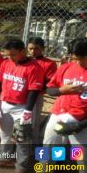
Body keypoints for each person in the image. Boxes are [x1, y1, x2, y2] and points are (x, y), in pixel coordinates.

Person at [0, 39, 44, 173]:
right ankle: (5, 157)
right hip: (5, 104)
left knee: (22, 137)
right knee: (5, 134)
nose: (10, 57)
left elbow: (34, 91)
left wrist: (28, 111)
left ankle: (22, 166)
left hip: (23, 107)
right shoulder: (6, 63)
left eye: (13, 54)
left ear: (23, 51)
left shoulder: (34, 67)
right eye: (7, 54)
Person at [42, 39, 87, 173]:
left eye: (82, 58)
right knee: (48, 151)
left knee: (81, 158)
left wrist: (80, 125)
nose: (78, 62)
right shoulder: (66, 67)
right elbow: (49, 89)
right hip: (58, 115)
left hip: (81, 121)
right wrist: (62, 90)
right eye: (75, 58)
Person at [27, 37, 57, 144]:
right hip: (20, 96)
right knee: (19, 123)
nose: (33, 51)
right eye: (30, 48)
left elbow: (49, 82)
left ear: (43, 49)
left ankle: (34, 146)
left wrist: (36, 89)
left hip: (36, 96)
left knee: (34, 122)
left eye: (36, 49)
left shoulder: (49, 63)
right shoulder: (24, 61)